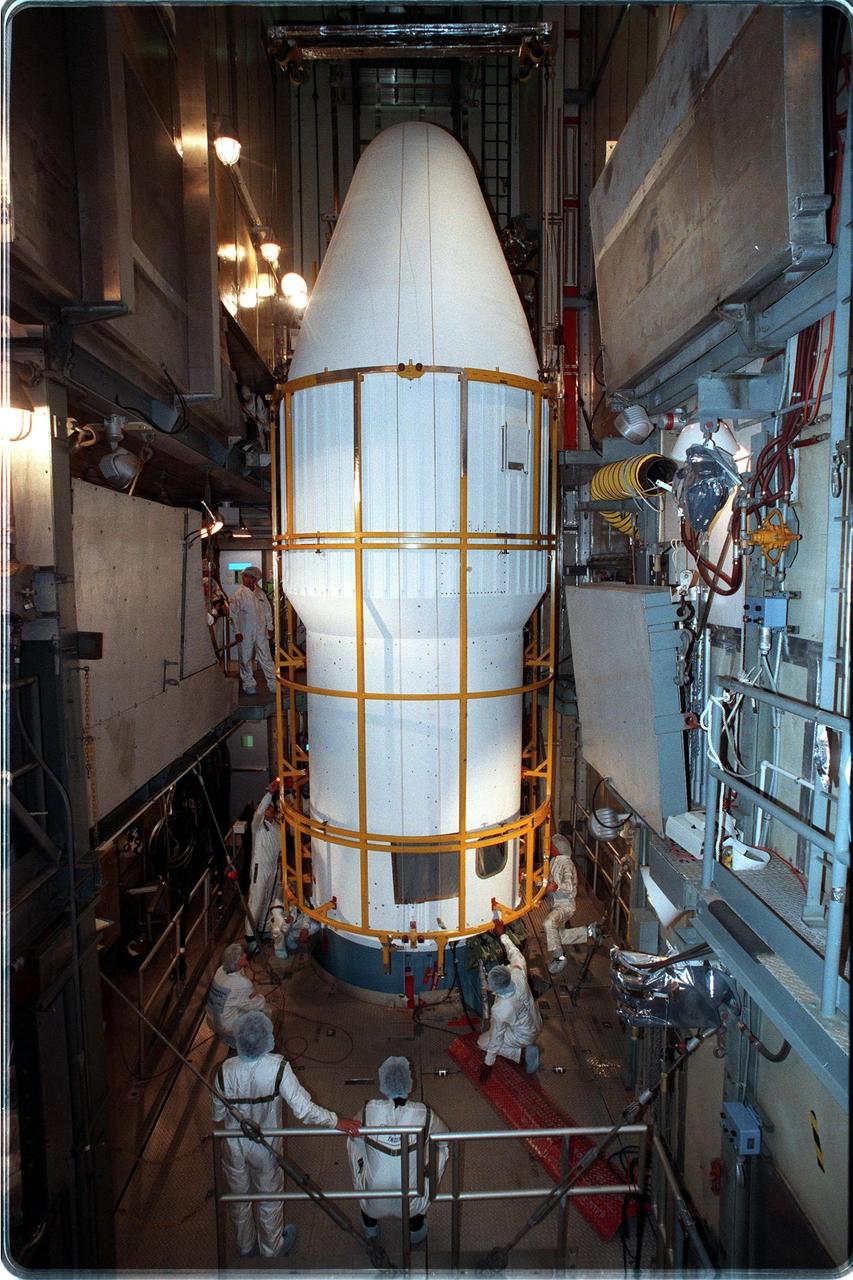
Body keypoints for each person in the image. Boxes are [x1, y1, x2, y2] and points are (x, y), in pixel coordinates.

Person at [211, 1011, 360, 1259]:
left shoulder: (222, 1072)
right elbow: (305, 1110)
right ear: (266, 1039)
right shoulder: (277, 1067)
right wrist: (337, 1121)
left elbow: (216, 1115)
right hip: (266, 1146)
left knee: (239, 1198)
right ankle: (272, 1250)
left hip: (233, 1146)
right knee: (270, 1200)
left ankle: (245, 1247)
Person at [347, 1057, 448, 1246]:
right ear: (410, 1083)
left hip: (372, 1202)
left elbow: (354, 1134)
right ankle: (416, 1228)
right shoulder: (424, 1114)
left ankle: (370, 1225)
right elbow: (444, 1138)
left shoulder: (368, 1110)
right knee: (440, 1148)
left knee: (354, 1141)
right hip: (411, 1204)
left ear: (382, 1082)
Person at [477, 929, 542, 1075]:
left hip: (524, 1035)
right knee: (507, 1026)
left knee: (482, 1043)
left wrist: (488, 1063)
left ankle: (524, 1052)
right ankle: (526, 1044)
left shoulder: (501, 1009)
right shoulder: (517, 975)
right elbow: (515, 954)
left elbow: (496, 1037)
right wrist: (502, 935)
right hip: (536, 1022)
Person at [543, 833, 601, 975]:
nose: (549, 846)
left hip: (565, 906)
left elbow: (569, 887)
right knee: (557, 936)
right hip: (555, 903)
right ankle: (588, 931)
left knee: (548, 924)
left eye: (551, 845)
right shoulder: (554, 861)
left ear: (557, 848)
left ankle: (560, 958)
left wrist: (556, 887)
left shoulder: (567, 865)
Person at [245, 779, 283, 955]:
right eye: (268, 808)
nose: (270, 809)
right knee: (256, 901)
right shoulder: (258, 826)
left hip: (273, 868)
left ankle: (264, 929)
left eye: (271, 807)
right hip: (260, 868)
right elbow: (259, 812)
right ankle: (251, 937)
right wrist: (269, 793)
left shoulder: (277, 826)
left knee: (268, 898)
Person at [206, 943, 268, 1047]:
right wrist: (261, 998)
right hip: (227, 1027)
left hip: (211, 1019)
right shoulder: (242, 984)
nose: (245, 955)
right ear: (237, 961)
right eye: (242, 955)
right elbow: (256, 1005)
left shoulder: (220, 970)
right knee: (261, 1014)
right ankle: (240, 1042)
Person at [230, 566, 276, 696]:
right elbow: (233, 615)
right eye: (244, 576)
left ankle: (273, 685)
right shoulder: (238, 595)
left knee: (266, 658)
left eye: (248, 576)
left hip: (261, 631)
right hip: (245, 632)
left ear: (254, 579)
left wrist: (270, 627)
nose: (245, 578)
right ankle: (249, 685)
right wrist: (237, 631)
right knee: (245, 658)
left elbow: (267, 611)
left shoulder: (260, 593)